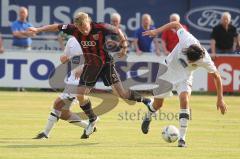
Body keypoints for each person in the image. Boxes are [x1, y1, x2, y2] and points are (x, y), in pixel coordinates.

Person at [28, 12, 151, 137]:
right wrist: (38, 29)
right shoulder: (74, 31)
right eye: (80, 28)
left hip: (106, 63)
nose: (84, 30)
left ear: (88, 22)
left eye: (85, 27)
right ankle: (92, 119)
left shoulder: (100, 27)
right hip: (91, 66)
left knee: (122, 94)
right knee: (80, 95)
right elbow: (56, 27)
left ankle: (146, 101)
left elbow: (118, 31)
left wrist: (124, 47)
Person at [141, 21, 227, 147]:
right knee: (157, 105)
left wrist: (220, 99)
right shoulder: (186, 38)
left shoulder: (205, 60)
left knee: (184, 100)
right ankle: (149, 114)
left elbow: (217, 76)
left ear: (198, 60)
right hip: (167, 71)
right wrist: (156, 31)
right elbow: (176, 23)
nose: (188, 61)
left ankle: (182, 139)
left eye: (191, 61)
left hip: (184, 78)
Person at [33, 37, 93, 139]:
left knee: (57, 104)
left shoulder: (91, 40)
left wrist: (84, 69)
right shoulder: (71, 40)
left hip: (81, 79)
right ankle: (89, 126)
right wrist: (64, 58)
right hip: (72, 78)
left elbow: (96, 59)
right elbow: (66, 56)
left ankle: (45, 134)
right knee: (64, 113)